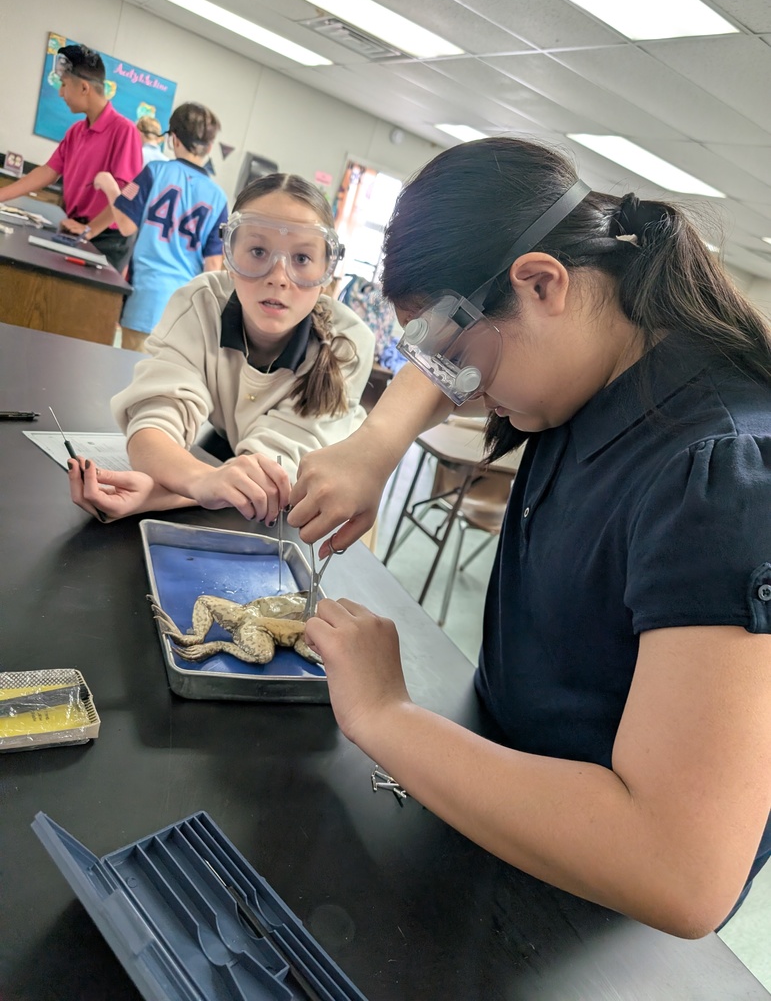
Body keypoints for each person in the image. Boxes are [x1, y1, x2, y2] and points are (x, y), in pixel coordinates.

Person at [287, 137, 771, 938]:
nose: (463, 392)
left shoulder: (719, 476)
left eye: (460, 362)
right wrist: (375, 446)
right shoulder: (594, 364)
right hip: (499, 794)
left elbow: (681, 871)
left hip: (586, 893)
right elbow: (459, 347)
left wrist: (383, 713)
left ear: (542, 282)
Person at [67, 173, 375, 524]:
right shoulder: (200, 303)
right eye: (258, 252)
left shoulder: (348, 344)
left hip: (323, 506)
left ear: (327, 271)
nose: (279, 277)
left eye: (302, 258)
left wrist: (160, 495)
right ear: (228, 254)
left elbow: (275, 479)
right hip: (234, 458)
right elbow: (153, 423)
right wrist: (200, 481)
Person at [93, 102, 228, 352]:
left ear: (173, 139)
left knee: (131, 370)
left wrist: (110, 186)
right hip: (185, 313)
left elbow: (126, 225)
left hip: (145, 300)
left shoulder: (154, 172)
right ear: (209, 147)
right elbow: (213, 266)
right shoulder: (219, 198)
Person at [0, 44, 142, 271]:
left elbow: (127, 194)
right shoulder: (76, 131)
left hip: (106, 238)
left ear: (84, 87)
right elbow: (48, 172)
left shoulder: (124, 131)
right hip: (76, 227)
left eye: (64, 85)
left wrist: (90, 230)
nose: (60, 93)